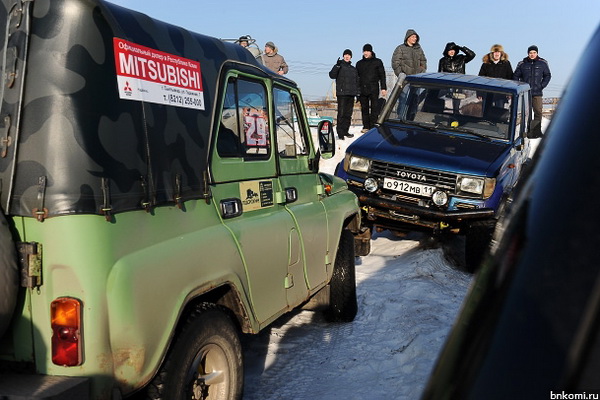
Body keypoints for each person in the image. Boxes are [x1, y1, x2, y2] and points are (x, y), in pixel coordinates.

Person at [513, 45, 551, 137]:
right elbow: (515, 76)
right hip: (526, 92)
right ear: (528, 54)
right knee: (527, 113)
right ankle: (528, 131)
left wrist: (542, 85)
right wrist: (520, 86)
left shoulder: (542, 63)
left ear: (537, 53)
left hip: (537, 93)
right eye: (530, 53)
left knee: (538, 111)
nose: (532, 54)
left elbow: (547, 75)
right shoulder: (522, 64)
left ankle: (536, 131)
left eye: (534, 53)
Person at [356, 44, 387, 133]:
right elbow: (356, 78)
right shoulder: (359, 64)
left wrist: (383, 88)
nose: (366, 53)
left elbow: (382, 75)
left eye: (367, 51)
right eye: (364, 51)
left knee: (374, 108)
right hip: (362, 89)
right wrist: (357, 91)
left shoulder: (377, 62)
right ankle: (366, 126)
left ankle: (373, 125)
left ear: (371, 52)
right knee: (364, 108)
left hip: (373, 87)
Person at [329, 49, 359, 140]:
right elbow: (332, 75)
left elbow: (357, 82)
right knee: (341, 113)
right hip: (342, 94)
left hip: (351, 94)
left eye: (349, 55)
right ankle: (340, 133)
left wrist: (358, 93)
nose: (347, 56)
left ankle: (346, 131)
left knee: (348, 114)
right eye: (345, 55)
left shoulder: (353, 69)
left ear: (351, 57)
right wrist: (337, 66)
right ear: (343, 56)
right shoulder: (339, 66)